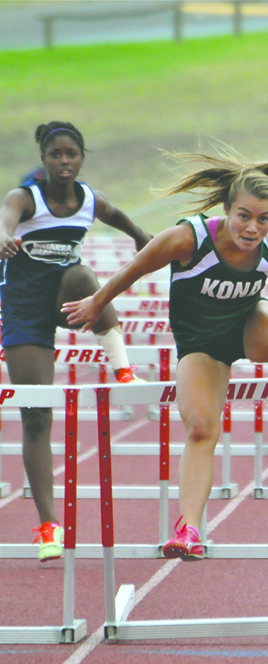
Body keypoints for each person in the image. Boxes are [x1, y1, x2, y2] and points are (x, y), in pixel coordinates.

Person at [63, 148, 268, 560]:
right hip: (201, 346)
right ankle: (189, 530)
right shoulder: (189, 237)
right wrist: (97, 300)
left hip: (249, 325)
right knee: (201, 428)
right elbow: (139, 267)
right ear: (227, 210)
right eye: (244, 216)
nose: (253, 228)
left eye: (264, 219)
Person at [0, 121, 153, 563]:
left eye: (72, 154)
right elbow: (4, 221)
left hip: (68, 299)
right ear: (43, 160)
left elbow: (122, 220)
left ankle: (121, 367)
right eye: (55, 155)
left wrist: (143, 241)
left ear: (82, 157)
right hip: (24, 310)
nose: (64, 162)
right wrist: (5, 238)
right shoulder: (23, 198)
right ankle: (48, 526)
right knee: (35, 417)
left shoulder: (90, 199)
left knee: (84, 275)